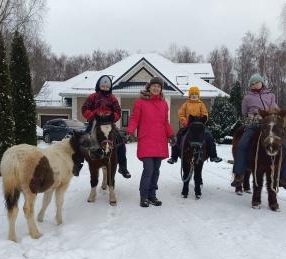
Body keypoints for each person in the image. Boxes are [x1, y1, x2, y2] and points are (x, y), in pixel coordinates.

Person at [126, 77, 175, 207]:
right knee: (148, 169)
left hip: (160, 140)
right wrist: (130, 131)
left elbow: (165, 122)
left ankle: (152, 195)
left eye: (158, 87)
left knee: (156, 170)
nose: (156, 88)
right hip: (146, 139)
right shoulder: (140, 102)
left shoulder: (164, 104)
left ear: (161, 89)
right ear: (149, 87)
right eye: (154, 86)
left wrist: (171, 135)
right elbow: (135, 118)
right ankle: (144, 196)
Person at [231, 73, 286, 187]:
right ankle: (239, 174)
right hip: (254, 124)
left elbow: (275, 109)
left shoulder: (270, 96)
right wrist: (252, 118)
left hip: (269, 124)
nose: (255, 85)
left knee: (284, 145)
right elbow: (244, 113)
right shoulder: (247, 98)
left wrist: (275, 116)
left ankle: (283, 176)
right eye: (253, 83)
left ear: (262, 82)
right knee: (242, 144)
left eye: (257, 82)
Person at [82, 75, 131, 178]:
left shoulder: (113, 98)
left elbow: (118, 111)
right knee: (83, 139)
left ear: (110, 87)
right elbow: (84, 109)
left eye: (107, 87)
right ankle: (78, 163)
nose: (105, 88)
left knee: (120, 142)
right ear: (99, 86)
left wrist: (114, 117)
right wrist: (92, 115)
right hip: (95, 122)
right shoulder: (92, 97)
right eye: (103, 86)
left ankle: (123, 167)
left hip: (109, 123)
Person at [167, 86, 222, 164]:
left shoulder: (201, 104)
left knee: (209, 136)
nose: (194, 95)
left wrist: (203, 120)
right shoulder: (186, 104)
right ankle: (174, 157)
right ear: (189, 95)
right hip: (188, 125)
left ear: (198, 95)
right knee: (178, 135)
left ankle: (213, 156)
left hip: (199, 126)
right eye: (192, 94)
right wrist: (184, 120)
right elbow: (181, 113)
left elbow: (205, 113)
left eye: (196, 94)